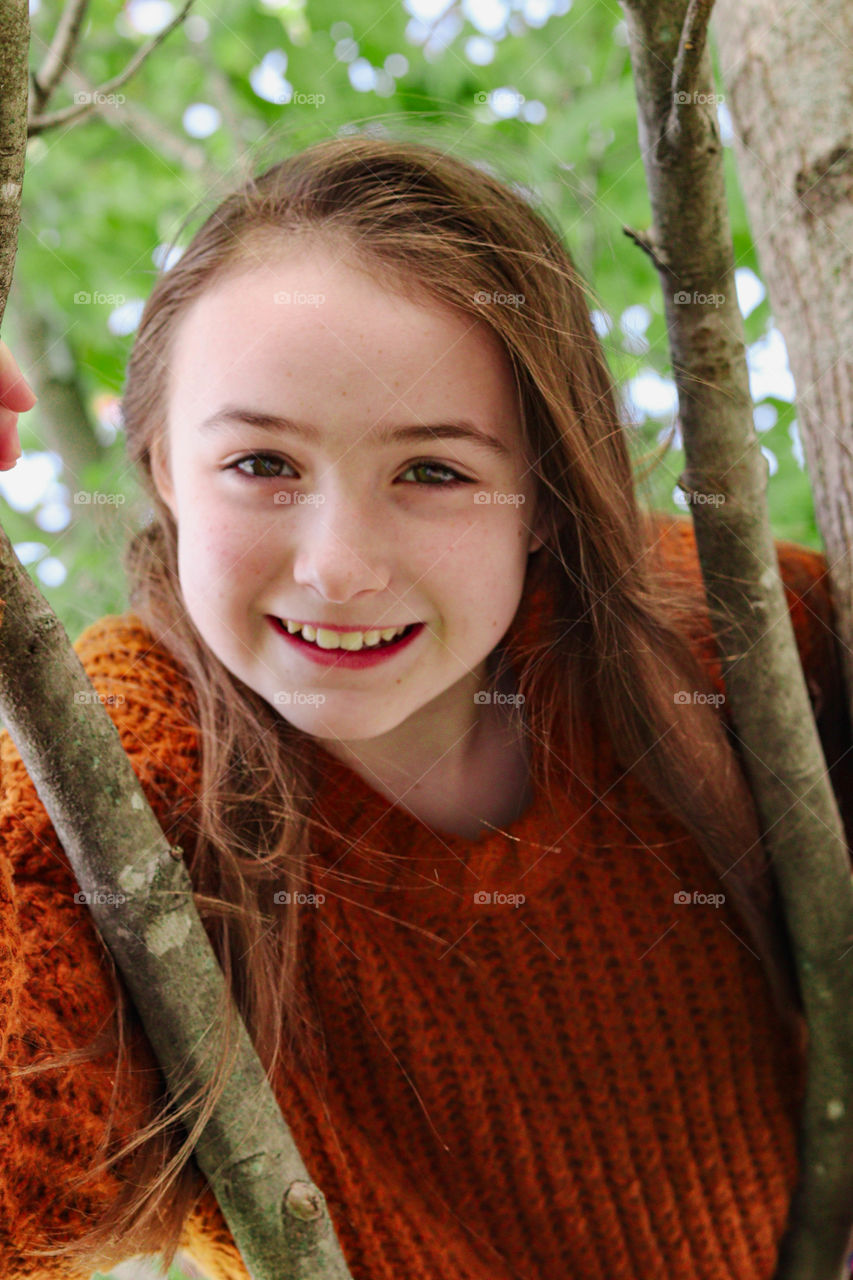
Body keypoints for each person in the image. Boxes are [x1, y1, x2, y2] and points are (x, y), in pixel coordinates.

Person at [1, 135, 851, 1280]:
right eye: (261, 463)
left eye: (434, 471)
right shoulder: (120, 770)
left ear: (544, 494)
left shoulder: (728, 639)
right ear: (158, 463)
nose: (339, 565)